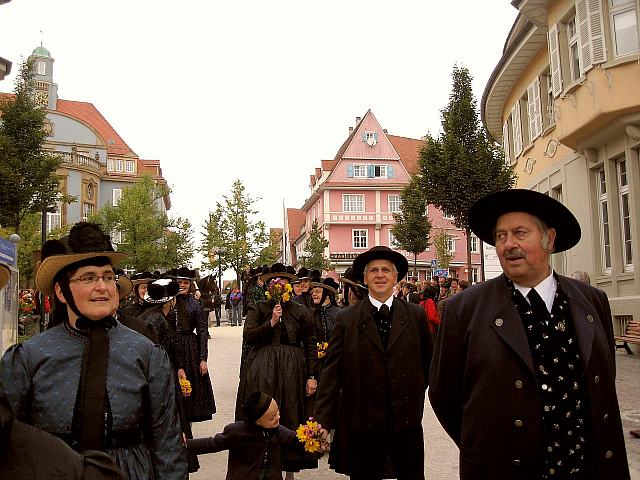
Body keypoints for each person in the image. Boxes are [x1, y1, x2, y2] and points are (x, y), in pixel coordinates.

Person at [429, 189, 630, 479]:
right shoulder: (465, 309)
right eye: (500, 236)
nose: (509, 244)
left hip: (586, 467)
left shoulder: (592, 300)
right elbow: (443, 394)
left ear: (549, 239)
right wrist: (486, 448)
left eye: (520, 233)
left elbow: (603, 377)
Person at [0, 222, 188, 479]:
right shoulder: (28, 357)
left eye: (108, 277)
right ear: (61, 291)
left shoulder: (146, 354)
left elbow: (168, 446)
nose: (102, 286)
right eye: (88, 277)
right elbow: (10, 443)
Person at [314, 246, 434, 479]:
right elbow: (331, 374)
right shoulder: (346, 319)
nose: (380, 275)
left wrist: (411, 393)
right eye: (374, 271)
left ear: (396, 277)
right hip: (363, 423)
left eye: (386, 270)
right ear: (365, 278)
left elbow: (429, 364)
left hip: (406, 422)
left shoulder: (415, 315)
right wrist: (322, 420)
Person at [236, 263, 319, 477]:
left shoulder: (301, 311)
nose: (281, 285)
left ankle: (289, 469)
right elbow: (249, 335)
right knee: (264, 415)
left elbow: (310, 343)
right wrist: (271, 322)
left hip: (293, 371)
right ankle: (263, 466)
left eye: (285, 282)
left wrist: (312, 375)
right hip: (263, 369)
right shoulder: (260, 308)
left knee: (290, 414)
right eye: (277, 281)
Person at [188, 391, 319, 480]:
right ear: (257, 420)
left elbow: (295, 442)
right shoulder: (237, 431)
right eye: (272, 417)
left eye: (278, 412)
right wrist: (185, 444)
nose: (278, 418)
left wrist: (314, 441)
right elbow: (212, 444)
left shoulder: (279, 431)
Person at [168, 266, 217, 423]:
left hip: (190, 348)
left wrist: (203, 358)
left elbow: (202, 332)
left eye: (185, 283)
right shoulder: (168, 302)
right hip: (171, 346)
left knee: (190, 391)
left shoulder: (195, 304)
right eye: (179, 282)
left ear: (190, 285)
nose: (182, 285)